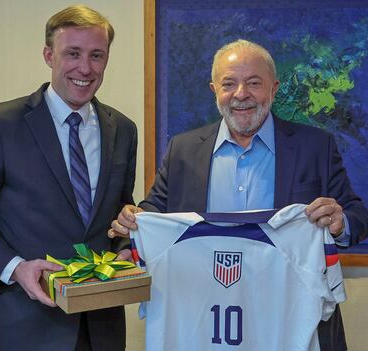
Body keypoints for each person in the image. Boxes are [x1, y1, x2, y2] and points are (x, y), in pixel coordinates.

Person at [109, 39, 368, 351]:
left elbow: (356, 214)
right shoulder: (183, 150)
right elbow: (153, 213)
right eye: (229, 83)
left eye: (254, 83)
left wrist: (341, 222)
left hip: (289, 323)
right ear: (214, 90)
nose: (241, 94)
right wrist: (134, 219)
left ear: (273, 89)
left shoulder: (316, 146)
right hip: (205, 324)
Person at [0, 5, 136, 351]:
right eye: (73, 53)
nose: (85, 68)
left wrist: (126, 246)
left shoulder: (123, 130)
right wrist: (15, 268)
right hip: (25, 325)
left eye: (97, 55)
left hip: (102, 328)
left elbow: (117, 218)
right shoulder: (0, 125)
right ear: (49, 55)